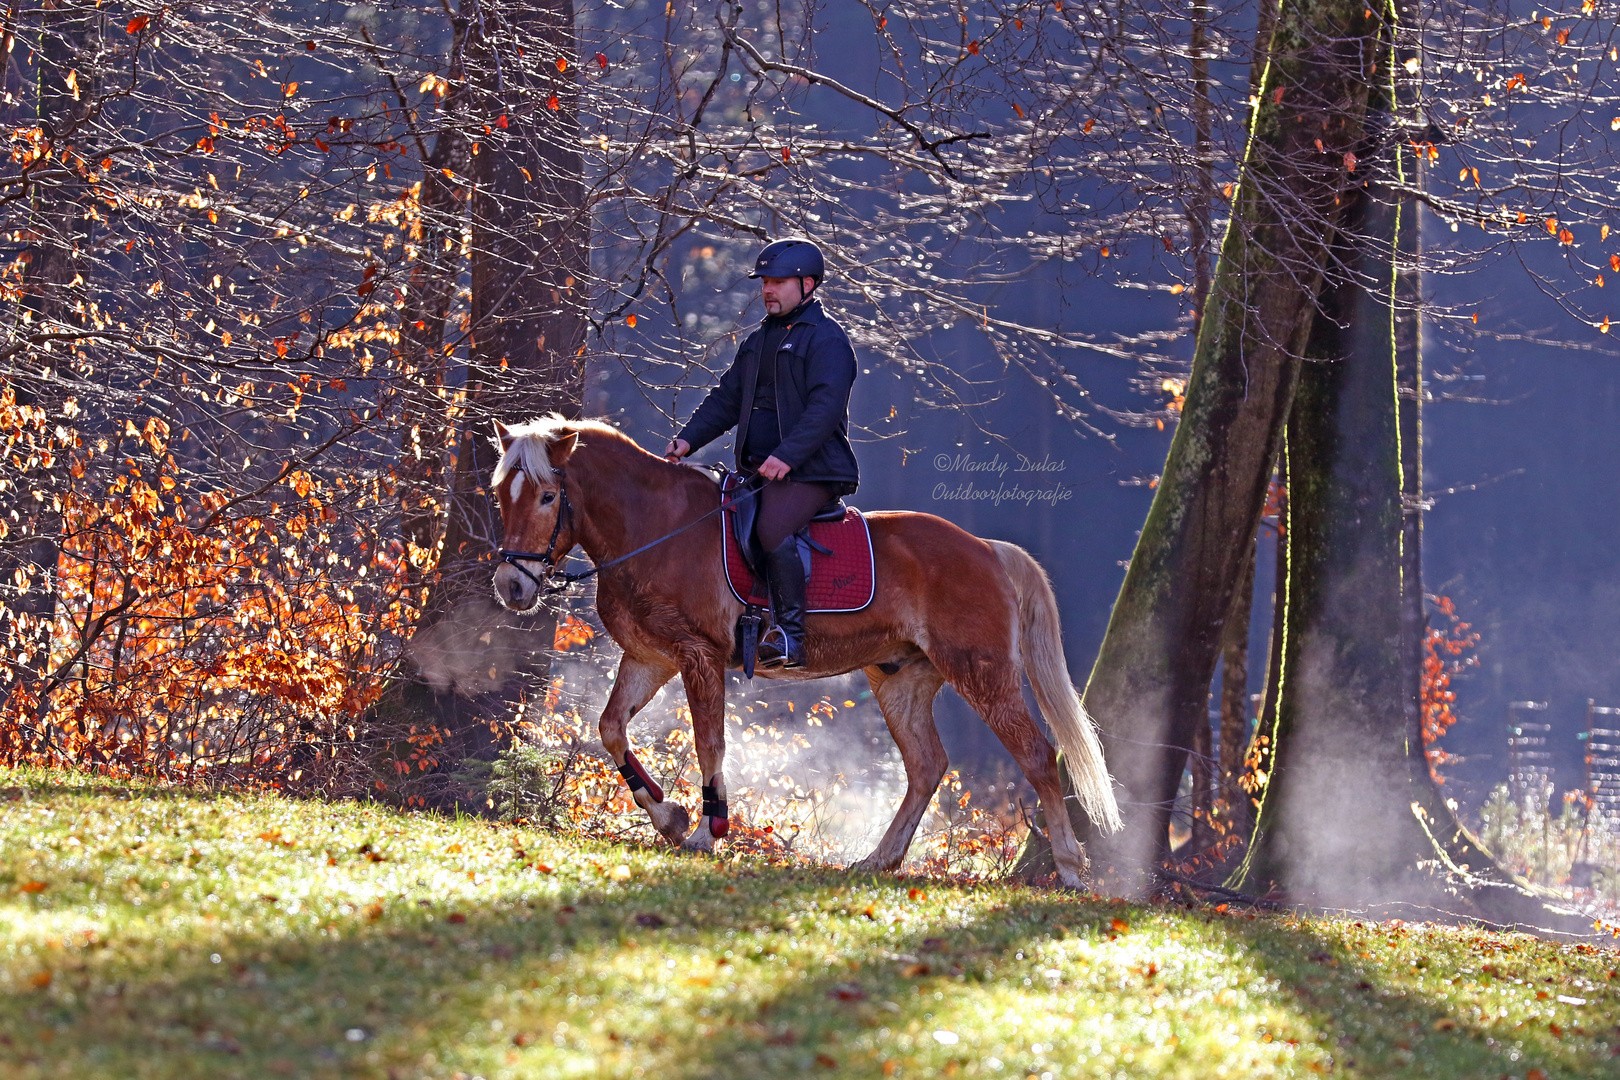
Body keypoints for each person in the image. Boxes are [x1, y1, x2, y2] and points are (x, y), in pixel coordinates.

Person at [664, 239, 859, 669]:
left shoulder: (828, 341)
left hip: (812, 472)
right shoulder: (757, 342)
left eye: (778, 282)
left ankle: (791, 636)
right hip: (760, 473)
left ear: (807, 285)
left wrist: (787, 456)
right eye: (765, 282)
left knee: (770, 529)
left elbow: (824, 410)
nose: (768, 290)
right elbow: (726, 399)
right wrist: (687, 439)